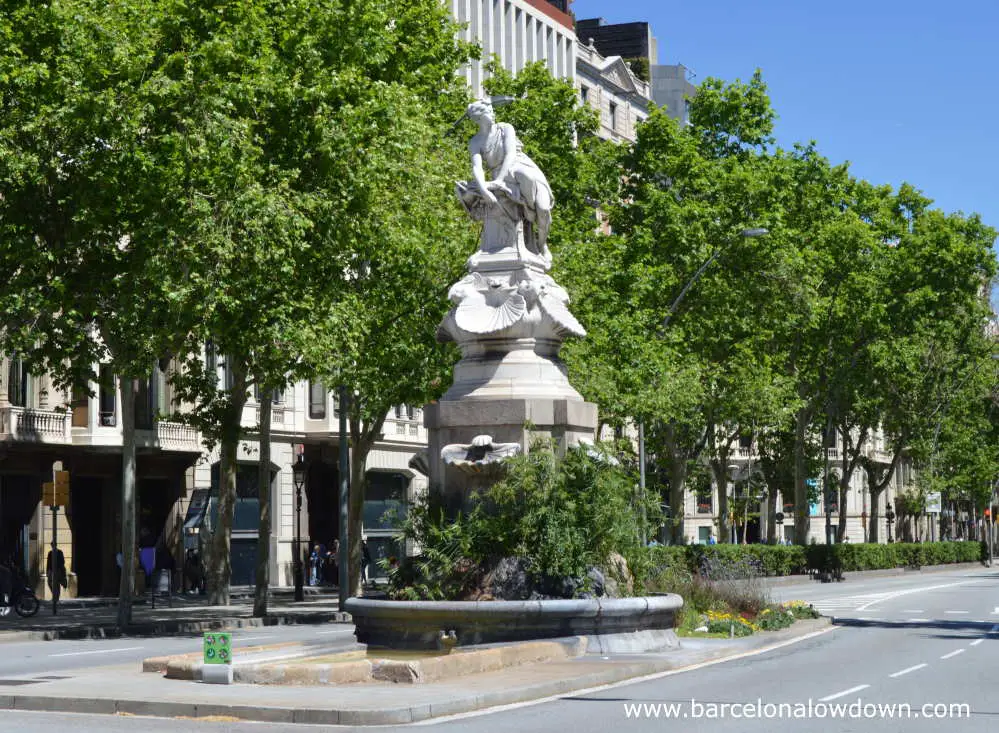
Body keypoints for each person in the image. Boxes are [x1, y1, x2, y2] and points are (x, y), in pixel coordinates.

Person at [463, 99, 553, 258]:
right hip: (498, 172)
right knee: (470, 190)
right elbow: (476, 167)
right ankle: (529, 212)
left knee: (543, 208)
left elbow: (511, 154)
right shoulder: (475, 142)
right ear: (478, 119)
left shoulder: (505, 128)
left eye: (492, 110)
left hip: (518, 164)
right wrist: (483, 190)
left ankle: (542, 243)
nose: (492, 113)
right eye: (488, 112)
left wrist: (499, 181)